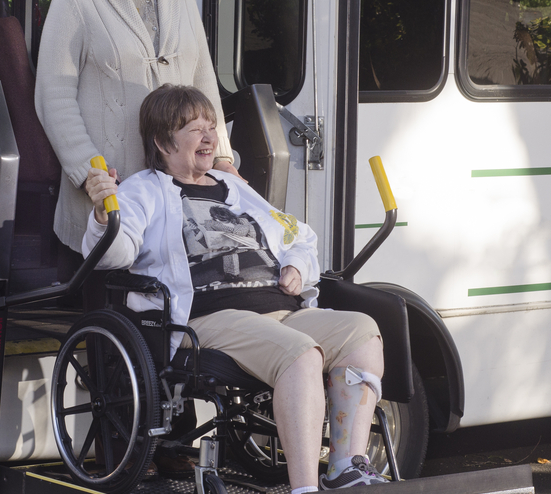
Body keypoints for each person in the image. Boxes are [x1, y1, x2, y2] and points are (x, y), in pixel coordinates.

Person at [83, 85, 387, 492]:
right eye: (195, 129)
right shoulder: (144, 190)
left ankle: (345, 466)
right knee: (301, 355)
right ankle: (304, 489)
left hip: (282, 309)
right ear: (162, 141)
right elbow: (114, 255)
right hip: (211, 317)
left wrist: (297, 264)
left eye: (212, 127)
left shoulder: (235, 187)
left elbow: (298, 235)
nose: (209, 137)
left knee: (363, 331)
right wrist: (106, 215)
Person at [34, 0, 242, 277]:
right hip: (113, 191)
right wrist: (88, 174)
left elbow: (203, 81)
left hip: (181, 187)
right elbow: (53, 96)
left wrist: (220, 157)